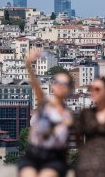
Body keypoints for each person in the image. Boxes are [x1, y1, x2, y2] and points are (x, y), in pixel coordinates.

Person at [19, 49, 73, 177]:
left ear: (69, 89)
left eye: (64, 84)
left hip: (55, 158)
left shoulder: (68, 114)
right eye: (57, 82)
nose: (60, 86)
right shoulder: (44, 104)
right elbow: (35, 84)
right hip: (33, 155)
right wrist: (28, 63)